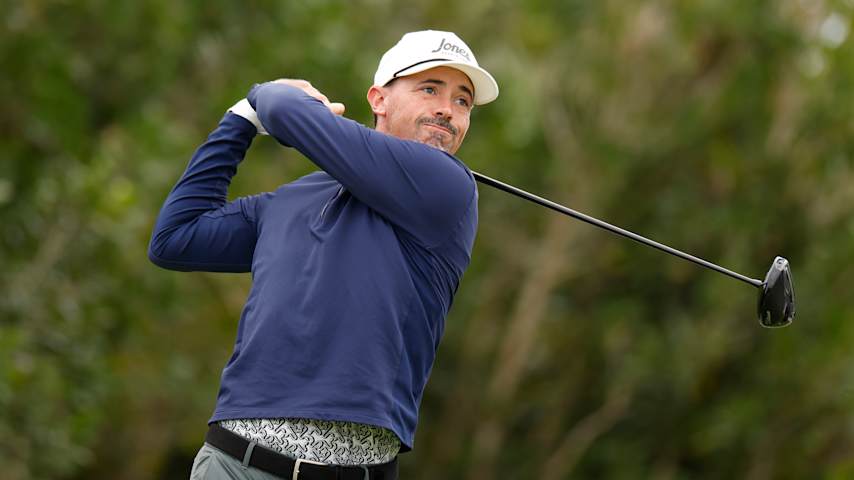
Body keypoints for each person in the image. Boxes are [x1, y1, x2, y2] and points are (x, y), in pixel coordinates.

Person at [149, 30, 499, 480]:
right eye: (430, 89)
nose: (446, 110)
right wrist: (239, 120)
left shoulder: (447, 187)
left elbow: (279, 104)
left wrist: (264, 98)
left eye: (462, 101)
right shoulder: (292, 199)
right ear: (379, 99)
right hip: (234, 464)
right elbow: (176, 237)